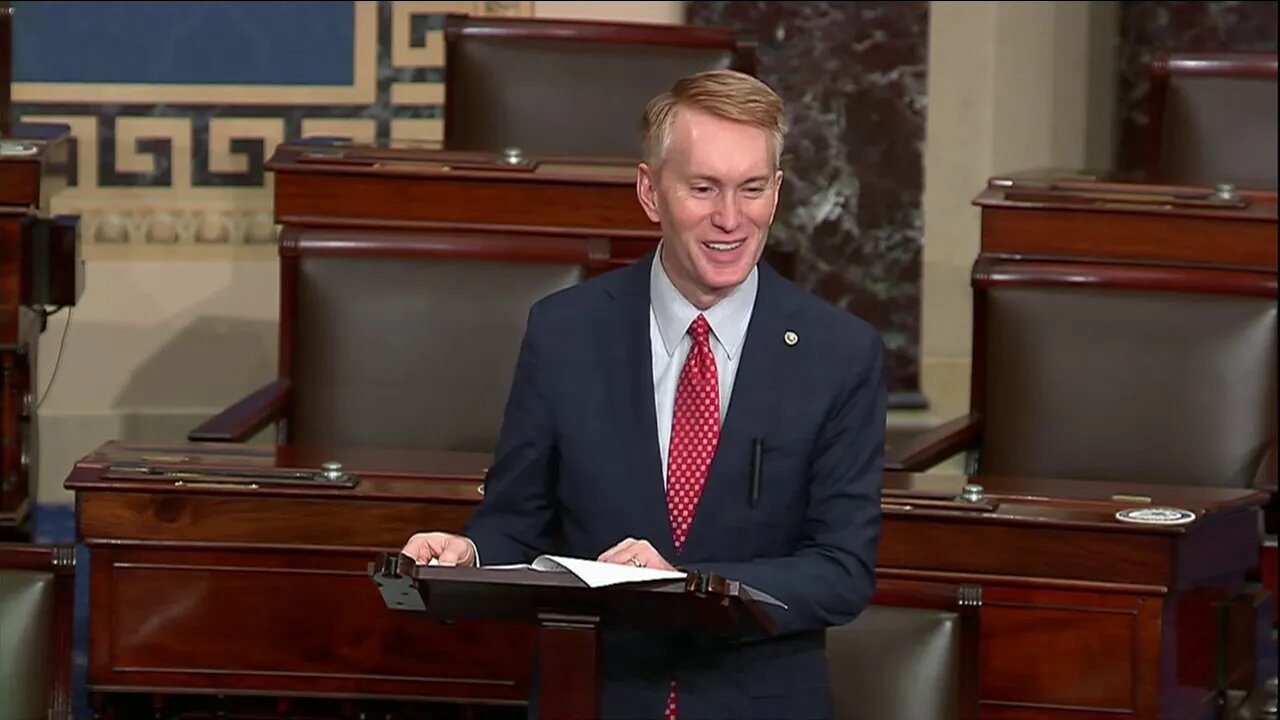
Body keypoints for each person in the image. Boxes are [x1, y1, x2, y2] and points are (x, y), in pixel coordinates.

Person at [402, 69, 886, 720]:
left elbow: (840, 569)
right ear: (650, 191)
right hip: (595, 696)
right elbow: (518, 516)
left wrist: (687, 585)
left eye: (750, 190)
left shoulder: (841, 354)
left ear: (776, 193)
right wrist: (471, 553)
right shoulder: (565, 331)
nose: (729, 219)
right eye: (703, 188)